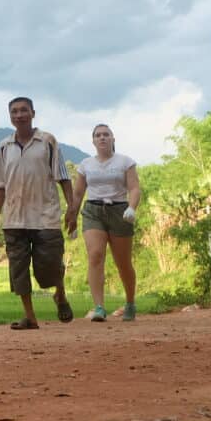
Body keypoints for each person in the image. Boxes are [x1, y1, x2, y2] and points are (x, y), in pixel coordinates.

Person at [0, 97, 76, 329]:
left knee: (49, 265)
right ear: (10, 116)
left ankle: (60, 295)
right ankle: (30, 316)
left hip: (45, 215)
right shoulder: (4, 146)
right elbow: (0, 184)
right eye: (14, 111)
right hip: (14, 217)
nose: (19, 115)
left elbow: (63, 177)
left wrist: (72, 208)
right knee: (18, 268)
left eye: (23, 110)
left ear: (33, 113)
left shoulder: (47, 141)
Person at [67, 124, 141, 322]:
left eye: (106, 135)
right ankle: (99, 307)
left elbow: (134, 188)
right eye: (98, 135)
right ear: (93, 141)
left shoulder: (125, 162)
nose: (102, 138)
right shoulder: (86, 165)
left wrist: (131, 208)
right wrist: (72, 216)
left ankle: (130, 302)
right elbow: (78, 192)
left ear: (113, 139)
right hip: (93, 211)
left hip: (119, 211)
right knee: (95, 255)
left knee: (123, 262)